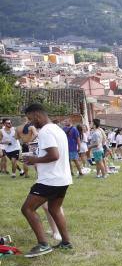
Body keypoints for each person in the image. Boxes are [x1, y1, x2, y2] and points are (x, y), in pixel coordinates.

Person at [19, 104, 73, 257]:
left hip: (50, 179)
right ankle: (66, 242)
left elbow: (54, 155)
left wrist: (34, 159)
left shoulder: (46, 132)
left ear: (37, 115)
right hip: (62, 178)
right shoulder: (57, 129)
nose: (30, 123)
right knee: (54, 209)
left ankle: (43, 244)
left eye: (30, 119)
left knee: (27, 209)